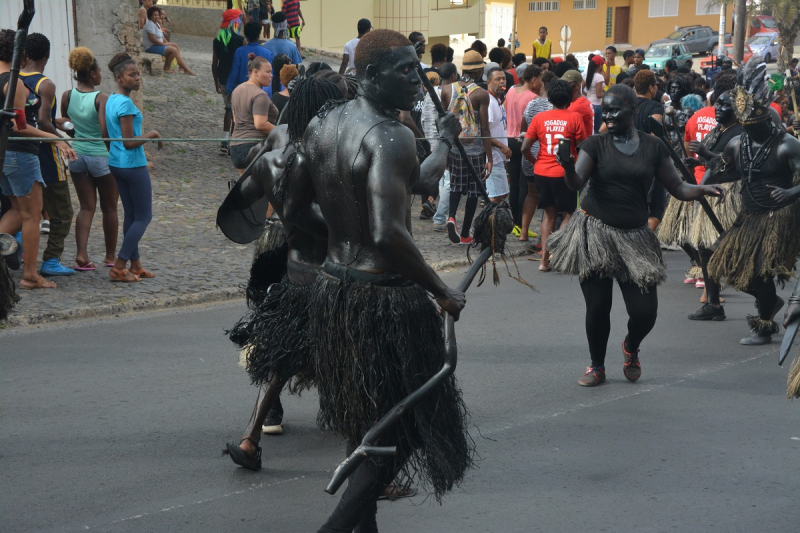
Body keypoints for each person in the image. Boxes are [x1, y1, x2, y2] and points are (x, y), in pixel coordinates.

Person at [283, 29, 470, 531]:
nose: (418, 78)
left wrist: (447, 143)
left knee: (362, 413)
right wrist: (441, 289)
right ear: (369, 77)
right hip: (384, 300)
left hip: (334, 289)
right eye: (404, 70)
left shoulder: (322, 125)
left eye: (418, 68)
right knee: (407, 420)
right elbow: (388, 233)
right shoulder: (390, 136)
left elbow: (292, 209)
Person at [549, 84, 724, 386]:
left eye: (616, 109)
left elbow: (678, 188)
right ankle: (596, 366)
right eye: (606, 108)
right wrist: (566, 163)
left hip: (636, 236)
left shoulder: (652, 146)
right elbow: (576, 183)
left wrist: (701, 190)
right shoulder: (595, 144)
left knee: (645, 312)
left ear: (632, 110)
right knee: (598, 307)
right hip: (596, 233)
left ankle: (631, 346)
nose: (610, 114)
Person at [220, 76, 345, 468]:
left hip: (295, 270)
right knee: (357, 355)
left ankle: (250, 439)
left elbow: (237, 203)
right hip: (333, 274)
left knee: (281, 360)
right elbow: (328, 221)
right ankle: (370, 466)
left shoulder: (270, 158)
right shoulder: (328, 156)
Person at [704, 56, 800, 346]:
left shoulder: (787, 145)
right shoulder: (737, 143)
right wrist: (707, 180)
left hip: (778, 216)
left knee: (760, 268)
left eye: (755, 127)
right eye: (746, 126)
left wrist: (791, 193)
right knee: (721, 262)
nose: (749, 132)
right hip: (749, 214)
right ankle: (769, 303)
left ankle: (764, 324)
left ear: (766, 121)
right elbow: (725, 168)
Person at [0, 29, 76, 290]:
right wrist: (55, 138)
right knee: (32, 215)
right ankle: (31, 275)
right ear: (19, 54)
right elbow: (19, 126)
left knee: (16, 211)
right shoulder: (15, 84)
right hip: (20, 154)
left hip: (5, 154)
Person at [19, 33, 76, 277]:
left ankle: (19, 247)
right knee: (62, 211)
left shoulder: (15, 78)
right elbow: (42, 121)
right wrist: (60, 138)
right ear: (48, 55)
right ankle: (51, 259)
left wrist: (56, 120)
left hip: (21, 150)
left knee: (25, 208)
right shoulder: (45, 84)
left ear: (25, 55)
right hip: (45, 152)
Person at [103, 53, 162, 283]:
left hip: (116, 163)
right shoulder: (125, 103)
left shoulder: (110, 100)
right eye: (132, 75)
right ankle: (119, 266)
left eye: (138, 74)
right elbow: (129, 141)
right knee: (144, 216)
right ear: (119, 78)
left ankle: (135, 265)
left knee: (131, 214)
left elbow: (108, 136)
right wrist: (152, 134)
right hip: (132, 164)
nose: (137, 78)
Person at [685, 88, 743, 321]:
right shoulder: (719, 129)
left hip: (727, 195)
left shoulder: (740, 133)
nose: (719, 108)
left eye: (725, 105)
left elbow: (735, 164)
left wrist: (707, 153)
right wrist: (695, 159)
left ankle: (763, 298)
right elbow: (711, 160)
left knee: (724, 248)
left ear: (737, 109)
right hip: (709, 191)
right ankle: (713, 303)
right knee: (703, 247)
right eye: (717, 104)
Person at [61, 47, 119, 271]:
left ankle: (81, 255)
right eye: (99, 71)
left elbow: (68, 125)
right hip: (101, 157)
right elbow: (105, 131)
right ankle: (111, 256)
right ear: (93, 74)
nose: (101, 75)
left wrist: (77, 136)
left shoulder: (68, 95)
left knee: (86, 208)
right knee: (110, 208)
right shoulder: (101, 98)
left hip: (77, 156)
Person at [522, 79, 587, 271]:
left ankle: (544, 262)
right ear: (570, 98)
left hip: (541, 172)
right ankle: (558, 251)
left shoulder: (539, 118)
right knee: (568, 213)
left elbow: (525, 147)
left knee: (548, 215)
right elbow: (584, 146)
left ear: (550, 98)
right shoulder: (575, 118)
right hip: (564, 172)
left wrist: (536, 163)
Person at [440, 49, 493, 245]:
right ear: (479, 71)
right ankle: (464, 234)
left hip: (454, 149)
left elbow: (443, 125)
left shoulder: (446, 91)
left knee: (455, 186)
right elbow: (485, 127)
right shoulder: (481, 94)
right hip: (476, 151)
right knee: (473, 192)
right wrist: (490, 158)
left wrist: (444, 152)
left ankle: (451, 217)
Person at [519, 70, 556, 248]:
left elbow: (523, 126)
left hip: (528, 155)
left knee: (531, 193)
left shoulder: (532, 104)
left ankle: (524, 232)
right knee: (549, 199)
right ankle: (547, 239)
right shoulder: (553, 106)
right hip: (544, 155)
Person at [504, 64, 541, 232]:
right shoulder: (533, 98)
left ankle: (514, 222)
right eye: (539, 80)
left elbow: (504, 110)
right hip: (523, 140)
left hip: (508, 139)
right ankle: (519, 223)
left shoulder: (511, 91)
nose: (540, 84)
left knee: (513, 183)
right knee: (523, 185)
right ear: (533, 79)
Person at [425, 62, 459, 232]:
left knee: (443, 180)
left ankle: (440, 217)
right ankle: (440, 219)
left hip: (433, 140)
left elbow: (425, 119)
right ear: (453, 76)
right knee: (448, 181)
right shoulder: (447, 93)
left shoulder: (431, 93)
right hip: (442, 142)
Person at [631, 70, 666, 232]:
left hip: (627, 161)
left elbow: (603, 129)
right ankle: (642, 243)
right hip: (648, 164)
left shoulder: (627, 106)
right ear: (651, 88)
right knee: (655, 210)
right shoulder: (655, 107)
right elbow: (655, 136)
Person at [230, 54, 278, 173]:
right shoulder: (259, 95)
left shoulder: (237, 90)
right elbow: (260, 124)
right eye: (268, 72)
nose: (271, 75)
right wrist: (282, 131)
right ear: (256, 72)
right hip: (253, 148)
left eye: (271, 72)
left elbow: (236, 120)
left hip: (235, 148)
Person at [212, 9, 245, 156]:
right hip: (237, 80)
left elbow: (214, 64)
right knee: (236, 112)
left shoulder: (217, 40)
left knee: (228, 109)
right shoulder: (240, 40)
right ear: (235, 22)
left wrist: (216, 81)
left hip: (223, 79)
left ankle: (224, 141)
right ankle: (232, 142)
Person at [142, 6, 194, 76]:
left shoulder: (156, 23)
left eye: (157, 15)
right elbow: (152, 39)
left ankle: (181, 67)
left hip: (157, 45)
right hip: (151, 47)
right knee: (173, 50)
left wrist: (166, 42)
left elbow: (161, 35)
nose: (157, 17)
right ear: (150, 16)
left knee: (175, 45)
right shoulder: (150, 24)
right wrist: (163, 44)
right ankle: (184, 69)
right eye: (154, 15)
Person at [226, 21, 275, 96]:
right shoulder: (267, 53)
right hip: (261, 93)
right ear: (258, 35)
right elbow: (271, 76)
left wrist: (230, 90)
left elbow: (234, 73)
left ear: (246, 36)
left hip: (243, 92)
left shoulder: (239, 52)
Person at [485, 67, 511, 202]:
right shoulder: (489, 101)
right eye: (497, 79)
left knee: (501, 194)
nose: (502, 82)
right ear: (488, 82)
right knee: (496, 196)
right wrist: (501, 146)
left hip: (499, 157)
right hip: (493, 157)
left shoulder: (498, 101)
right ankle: (487, 222)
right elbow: (484, 132)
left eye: (503, 79)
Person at [562, 69, 594, 139]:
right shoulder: (581, 101)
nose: (563, 86)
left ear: (577, 86)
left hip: (581, 146)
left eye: (567, 83)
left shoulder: (578, 106)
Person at [583, 55, 606, 133]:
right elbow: (598, 95)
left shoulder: (587, 76)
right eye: (602, 65)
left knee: (589, 128)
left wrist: (587, 95)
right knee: (597, 130)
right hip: (596, 105)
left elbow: (581, 90)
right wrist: (608, 94)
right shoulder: (599, 77)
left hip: (588, 104)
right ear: (600, 65)